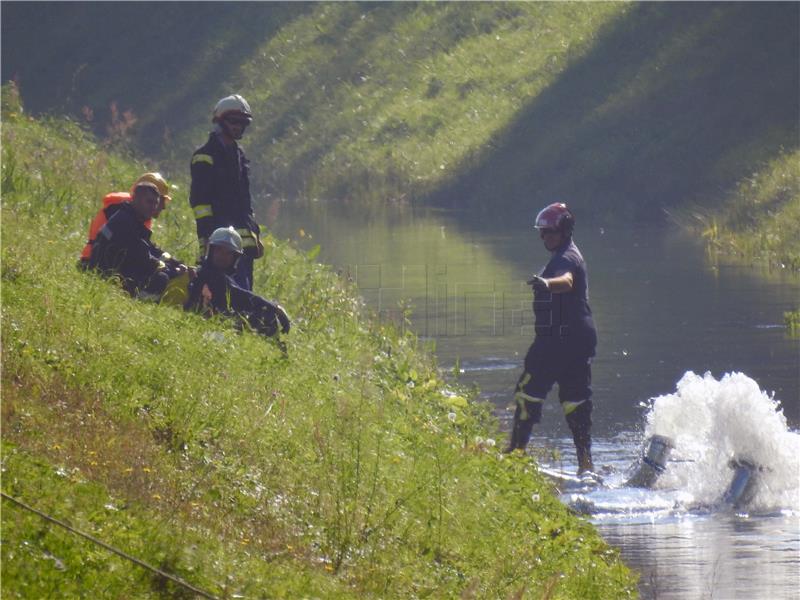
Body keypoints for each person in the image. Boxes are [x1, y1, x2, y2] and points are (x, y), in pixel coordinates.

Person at [505, 202, 598, 475]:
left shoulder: (565, 259)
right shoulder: (568, 253)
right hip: (579, 341)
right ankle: (586, 465)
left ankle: (515, 454)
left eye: (550, 232)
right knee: (576, 401)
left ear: (564, 230)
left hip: (557, 342)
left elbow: (567, 281)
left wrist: (547, 283)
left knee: (528, 394)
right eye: (542, 233)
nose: (545, 237)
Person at [189, 94, 263, 291]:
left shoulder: (239, 157)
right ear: (220, 121)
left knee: (244, 288)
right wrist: (207, 235)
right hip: (218, 238)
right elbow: (200, 201)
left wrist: (254, 231)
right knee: (219, 287)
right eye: (233, 122)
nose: (238, 127)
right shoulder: (205, 156)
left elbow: (245, 201)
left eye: (242, 123)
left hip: (243, 240)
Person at [88, 181, 190, 300]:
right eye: (149, 202)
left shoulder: (129, 217)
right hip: (104, 274)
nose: (153, 208)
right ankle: (140, 301)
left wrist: (175, 263)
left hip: (109, 269)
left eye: (155, 203)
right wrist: (174, 271)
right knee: (161, 278)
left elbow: (149, 248)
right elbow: (144, 257)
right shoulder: (125, 222)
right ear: (135, 199)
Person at [184, 227, 290, 338]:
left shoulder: (218, 275)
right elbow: (241, 295)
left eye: (228, 253)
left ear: (235, 258)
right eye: (219, 250)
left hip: (212, 324)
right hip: (203, 329)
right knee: (266, 314)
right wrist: (275, 308)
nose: (222, 256)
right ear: (211, 251)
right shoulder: (208, 274)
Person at [79, 172, 171, 267]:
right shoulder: (121, 211)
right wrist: (160, 265)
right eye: (161, 200)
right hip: (92, 262)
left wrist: (172, 262)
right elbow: (137, 249)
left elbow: (144, 246)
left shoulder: (137, 213)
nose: (163, 206)